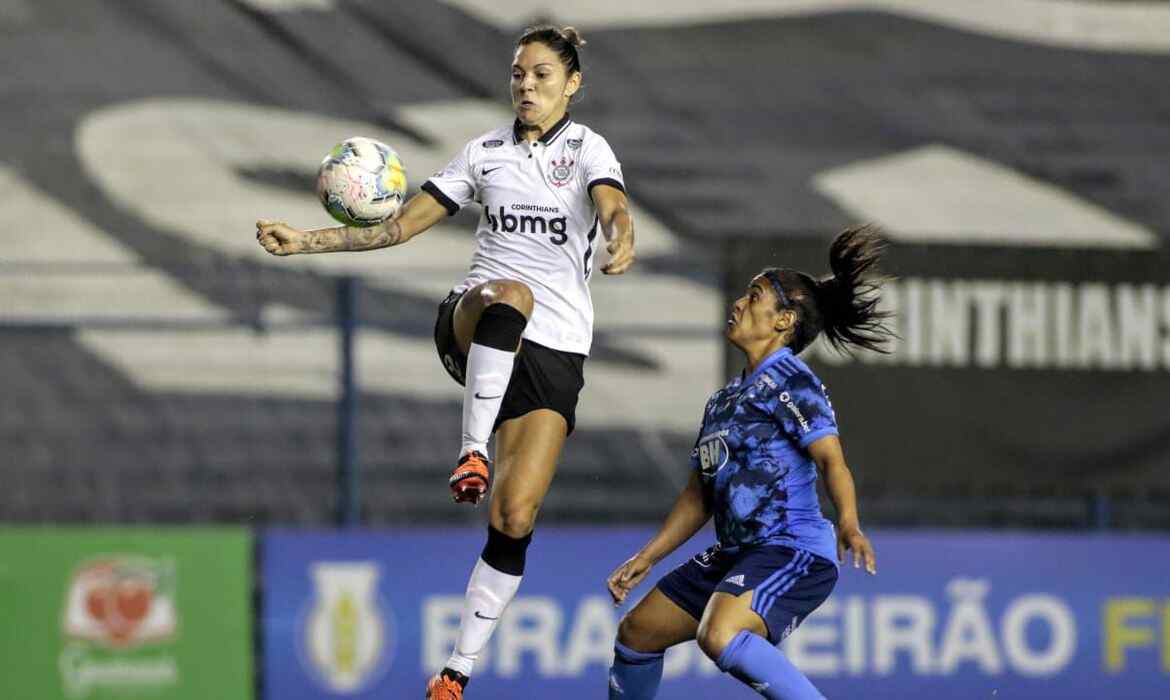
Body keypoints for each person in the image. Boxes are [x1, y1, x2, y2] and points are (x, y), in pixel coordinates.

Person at [255, 25, 635, 700]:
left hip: (556, 351)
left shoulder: (587, 149)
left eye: (542, 75)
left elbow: (613, 205)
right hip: (476, 319)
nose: (526, 85)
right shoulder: (484, 153)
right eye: (519, 73)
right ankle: (471, 452)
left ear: (572, 84)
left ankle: (456, 671)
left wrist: (620, 235)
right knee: (510, 296)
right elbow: (400, 224)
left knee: (516, 517)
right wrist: (305, 240)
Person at [604, 227, 890, 700]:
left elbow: (831, 461)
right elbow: (699, 497)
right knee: (638, 633)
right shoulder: (723, 401)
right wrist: (647, 558)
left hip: (791, 548)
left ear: (784, 320)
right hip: (738, 551)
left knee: (718, 633)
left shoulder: (792, 381)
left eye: (754, 295)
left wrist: (850, 522)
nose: (738, 303)